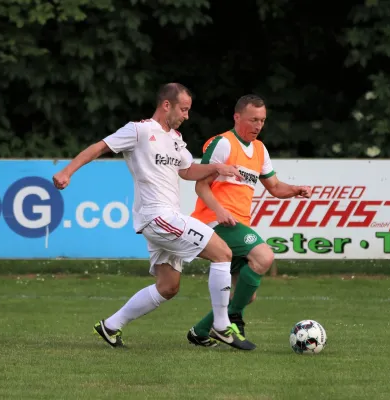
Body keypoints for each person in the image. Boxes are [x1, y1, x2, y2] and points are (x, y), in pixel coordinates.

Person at [52, 83, 255, 350]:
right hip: (157, 216)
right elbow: (100, 147)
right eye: (183, 109)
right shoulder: (139, 130)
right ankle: (220, 325)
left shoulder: (176, 138)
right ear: (166, 105)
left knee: (168, 286)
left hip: (166, 217)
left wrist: (218, 168)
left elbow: (187, 171)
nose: (186, 116)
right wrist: (67, 171)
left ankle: (110, 326)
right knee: (223, 253)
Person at [186, 94, 310, 349]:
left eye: (262, 120)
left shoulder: (260, 149)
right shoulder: (223, 143)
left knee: (246, 294)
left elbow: (274, 186)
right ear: (237, 117)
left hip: (237, 225)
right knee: (264, 256)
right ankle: (232, 319)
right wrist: (219, 211)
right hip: (214, 222)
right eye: (253, 119)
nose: (258, 125)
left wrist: (295, 190)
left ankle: (200, 331)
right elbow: (201, 185)